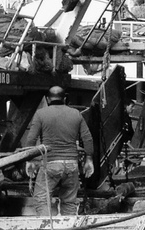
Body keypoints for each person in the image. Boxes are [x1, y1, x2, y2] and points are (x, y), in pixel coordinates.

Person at [20, 86, 95, 216]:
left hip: (50, 164)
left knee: (42, 200)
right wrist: (89, 160)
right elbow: (87, 138)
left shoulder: (41, 114)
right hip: (72, 165)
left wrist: (30, 161)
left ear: (48, 99)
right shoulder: (76, 114)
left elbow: (31, 139)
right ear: (64, 98)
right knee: (69, 202)